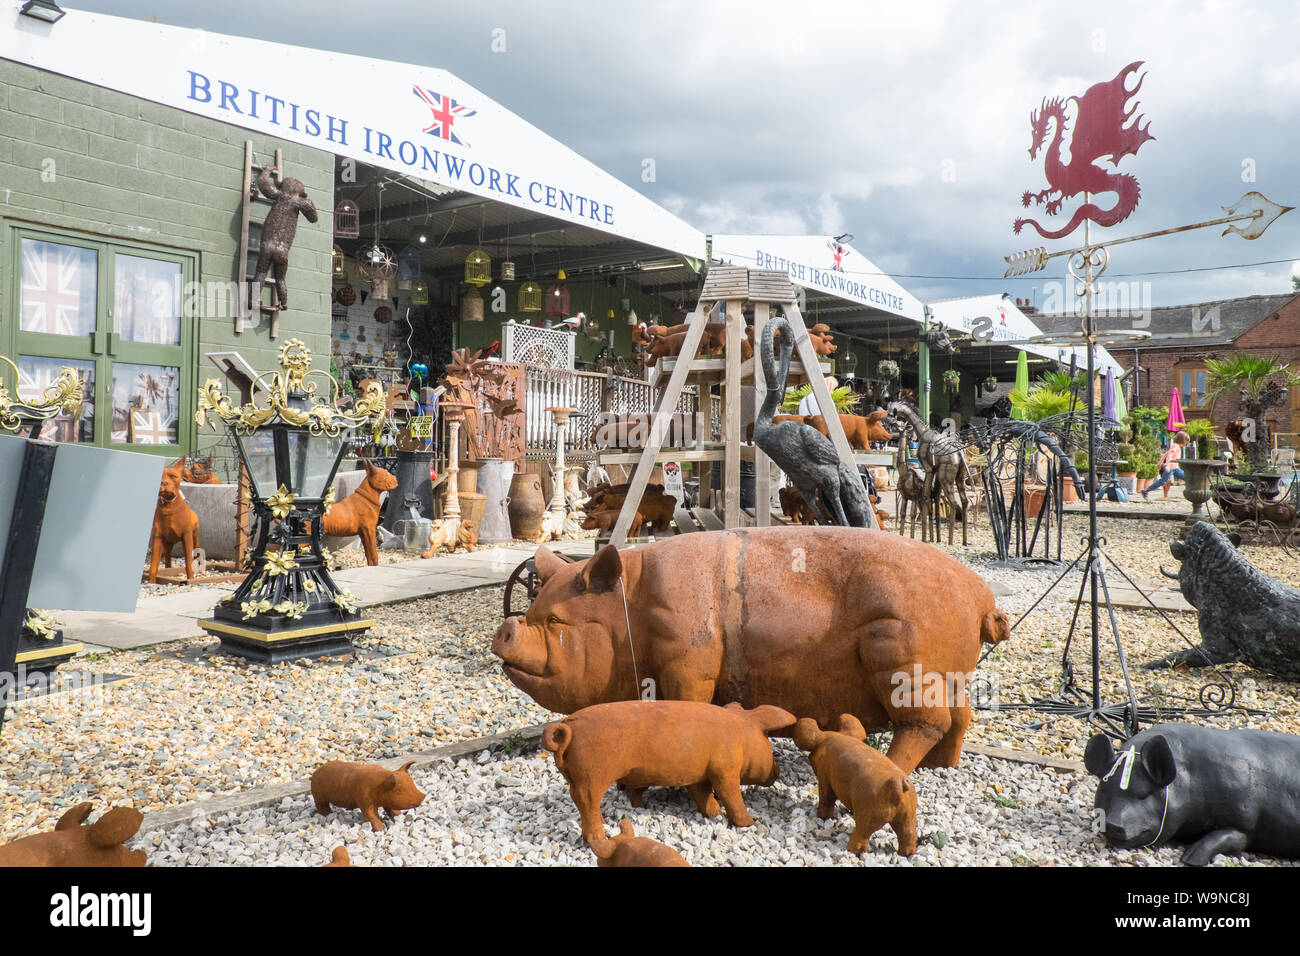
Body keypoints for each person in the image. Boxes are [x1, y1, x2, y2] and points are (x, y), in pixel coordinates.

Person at [1143, 431, 1190, 499]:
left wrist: (1159, 463)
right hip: (1170, 467)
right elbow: (1169, 456)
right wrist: (1167, 465)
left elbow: (1165, 454)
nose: (1186, 443)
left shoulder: (1174, 445)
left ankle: (1189, 492)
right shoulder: (1176, 446)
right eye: (1186, 441)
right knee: (1163, 481)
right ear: (1183, 440)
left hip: (1175, 468)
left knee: (1187, 477)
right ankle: (1146, 490)